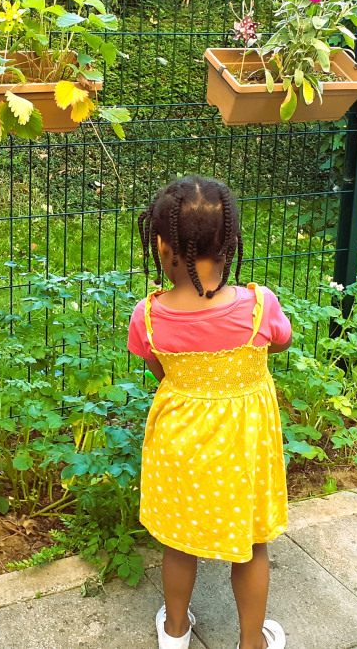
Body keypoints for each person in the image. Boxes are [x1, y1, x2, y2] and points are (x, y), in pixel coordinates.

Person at [128, 175, 293, 649]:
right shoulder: (260, 307)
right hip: (245, 449)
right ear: (231, 242)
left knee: (178, 542)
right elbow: (281, 341)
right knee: (252, 545)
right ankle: (251, 643)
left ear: (161, 245)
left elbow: (162, 369)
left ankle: (176, 632)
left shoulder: (150, 315)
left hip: (181, 448)